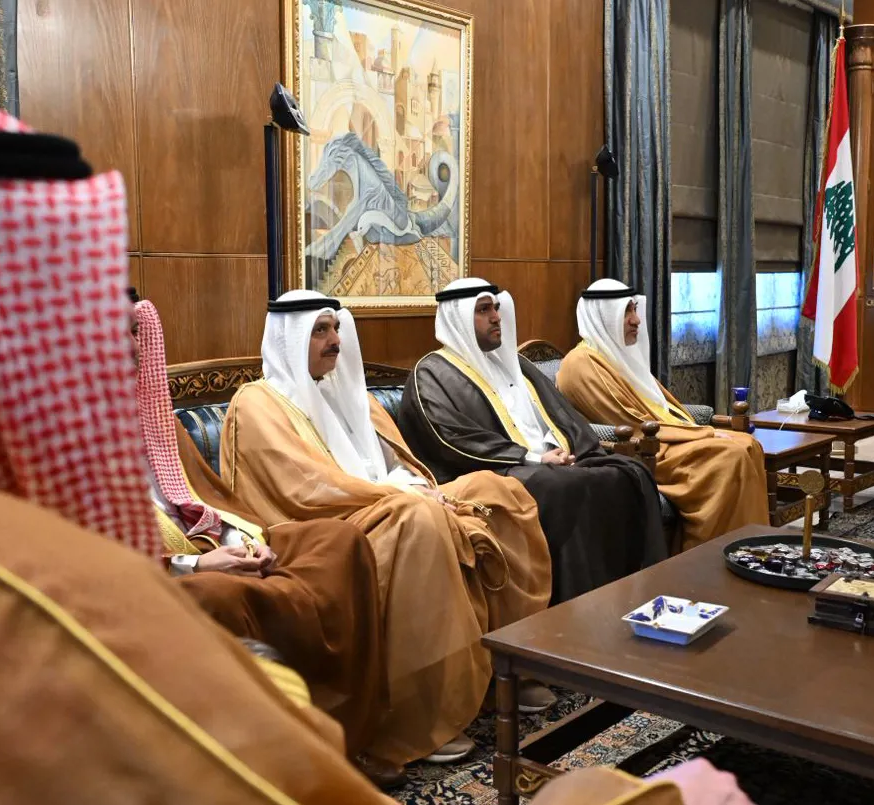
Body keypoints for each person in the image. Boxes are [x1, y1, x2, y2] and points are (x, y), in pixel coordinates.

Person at [0, 81, 755, 805]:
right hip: (353, 516)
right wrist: (627, 795)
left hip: (377, 502)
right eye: (61, 300)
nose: (87, 349)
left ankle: (513, 672)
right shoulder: (14, 589)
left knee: (505, 496)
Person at [221, 290, 555, 772]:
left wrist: (419, 489)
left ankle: (505, 673)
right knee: (422, 522)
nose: (335, 341)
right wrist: (404, 496)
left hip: (389, 502)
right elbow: (305, 489)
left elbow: (401, 463)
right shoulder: (258, 404)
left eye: (336, 329)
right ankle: (425, 714)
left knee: (501, 492)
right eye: (320, 331)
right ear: (289, 339)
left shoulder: (349, 390)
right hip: (328, 530)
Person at [133, 297, 389, 776]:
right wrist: (196, 564)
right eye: (113, 333)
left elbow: (207, 497)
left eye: (135, 332)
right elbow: (86, 553)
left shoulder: (155, 420)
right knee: (219, 594)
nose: (131, 346)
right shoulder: (57, 441)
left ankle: (349, 737)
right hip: (159, 571)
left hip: (214, 540)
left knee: (339, 542)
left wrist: (242, 539)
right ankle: (273, 766)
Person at [397, 277, 669, 602]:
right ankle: (575, 604)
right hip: (493, 471)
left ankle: (638, 592)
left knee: (630, 472)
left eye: (496, 308)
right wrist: (535, 458)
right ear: (458, 318)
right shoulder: (431, 374)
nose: (496, 317)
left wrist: (571, 449)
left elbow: (562, 415)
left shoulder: (516, 364)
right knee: (560, 487)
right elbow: (452, 439)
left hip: (549, 463)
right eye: (483, 310)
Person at [556, 280, 770, 550]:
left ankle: (751, 549)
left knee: (749, 444)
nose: (636, 320)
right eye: (626, 311)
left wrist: (700, 432)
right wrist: (704, 433)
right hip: (642, 451)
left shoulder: (618, 355)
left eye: (634, 309)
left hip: (666, 438)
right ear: (603, 316)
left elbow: (662, 408)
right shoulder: (579, 363)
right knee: (731, 457)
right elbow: (629, 422)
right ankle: (709, 556)